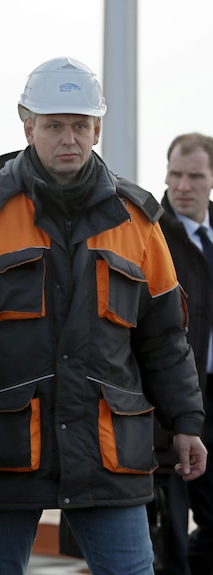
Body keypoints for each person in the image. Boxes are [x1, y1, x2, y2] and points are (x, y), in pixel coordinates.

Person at [0, 56, 208, 575]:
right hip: (7, 445)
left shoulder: (138, 222)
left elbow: (165, 339)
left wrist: (186, 422)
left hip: (109, 449)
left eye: (80, 126)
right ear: (28, 127)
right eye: (55, 125)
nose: (69, 138)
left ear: (97, 129)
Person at [155, 132, 213, 575]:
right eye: (176, 174)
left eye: (195, 176)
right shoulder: (153, 234)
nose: (183, 185)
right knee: (168, 533)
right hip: (171, 404)